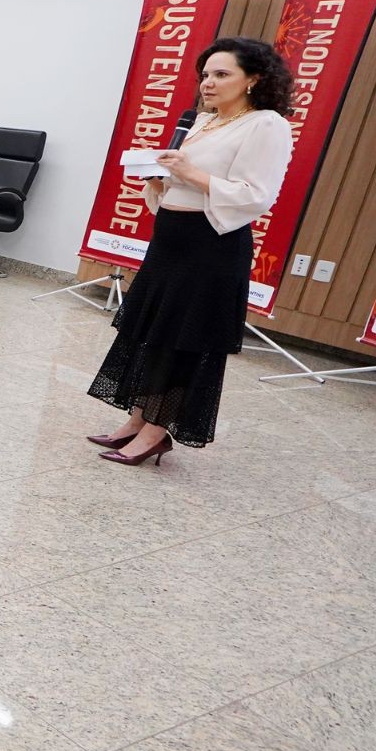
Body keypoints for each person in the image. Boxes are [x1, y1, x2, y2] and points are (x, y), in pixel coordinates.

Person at [88, 38, 296, 464]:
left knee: (182, 340)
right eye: (205, 75)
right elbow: (184, 182)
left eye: (222, 74)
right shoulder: (203, 121)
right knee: (151, 333)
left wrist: (190, 173)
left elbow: (257, 195)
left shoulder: (266, 124)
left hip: (210, 246)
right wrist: (159, 181)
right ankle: (137, 419)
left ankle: (157, 432)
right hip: (171, 240)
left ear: (253, 79)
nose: (208, 83)